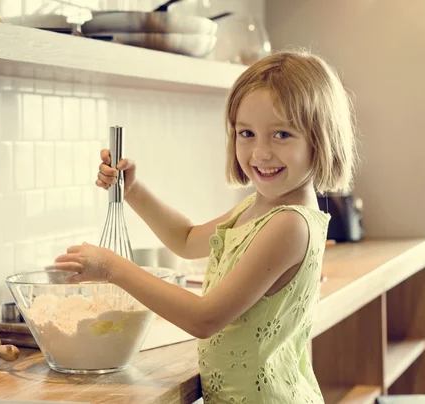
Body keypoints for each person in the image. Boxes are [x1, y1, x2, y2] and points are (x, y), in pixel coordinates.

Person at [53, 48, 358, 403]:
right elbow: (185, 239)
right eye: (246, 133)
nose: (260, 153)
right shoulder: (259, 206)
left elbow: (205, 318)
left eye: (281, 135)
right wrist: (133, 190)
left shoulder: (288, 224)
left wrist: (112, 268)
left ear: (320, 140)